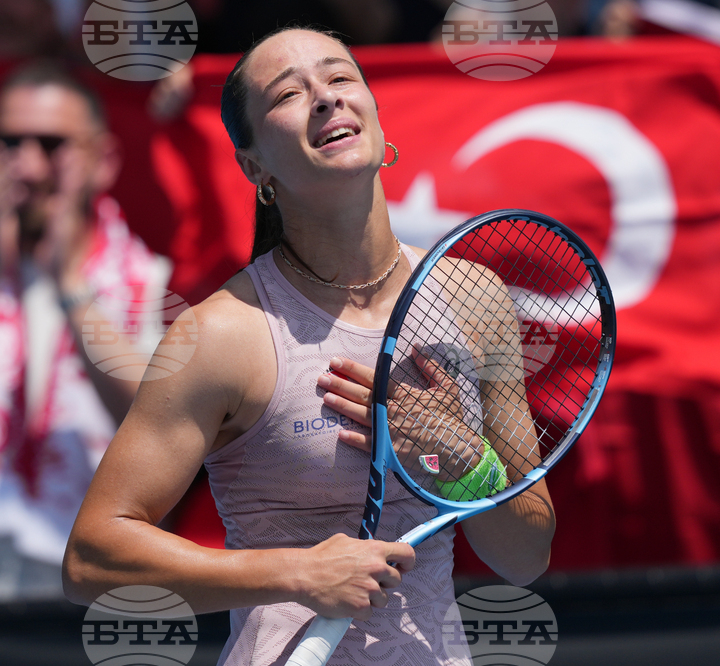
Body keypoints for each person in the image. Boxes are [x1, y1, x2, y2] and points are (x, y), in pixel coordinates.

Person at [63, 26, 555, 665]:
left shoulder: (473, 299)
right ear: (254, 166)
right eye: (288, 94)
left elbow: (525, 558)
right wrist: (299, 572)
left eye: (341, 77)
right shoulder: (221, 333)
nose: (326, 98)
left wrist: (466, 459)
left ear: (379, 121)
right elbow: (91, 558)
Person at [0, 62, 171, 598]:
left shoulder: (155, 283)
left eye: (50, 145)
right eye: (8, 143)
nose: (25, 166)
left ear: (105, 161)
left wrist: (68, 284)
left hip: (89, 587)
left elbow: (156, 429)